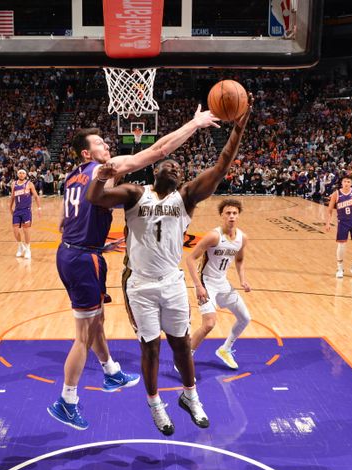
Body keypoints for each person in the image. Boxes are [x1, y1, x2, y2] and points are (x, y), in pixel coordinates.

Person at [47, 105, 220, 431]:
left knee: (96, 320)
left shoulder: (71, 178)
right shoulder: (106, 169)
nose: (108, 148)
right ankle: (67, 401)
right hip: (83, 259)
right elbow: (159, 150)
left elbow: (62, 222)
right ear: (88, 152)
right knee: (83, 335)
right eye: (101, 144)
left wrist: (95, 243)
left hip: (73, 252)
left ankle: (111, 372)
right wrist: (194, 124)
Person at [87, 99, 251, 435]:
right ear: (156, 171)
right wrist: (100, 178)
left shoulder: (186, 197)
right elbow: (97, 199)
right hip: (139, 284)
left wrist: (238, 128)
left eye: (179, 167)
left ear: (181, 180)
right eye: (170, 163)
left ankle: (190, 396)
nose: (175, 166)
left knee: (180, 343)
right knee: (151, 347)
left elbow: (221, 166)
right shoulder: (135, 194)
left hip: (172, 281)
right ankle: (155, 405)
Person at [184, 199, 252, 370]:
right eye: (228, 213)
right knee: (209, 324)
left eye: (234, 213)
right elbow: (190, 258)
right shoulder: (214, 236)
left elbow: (240, 260)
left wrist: (242, 279)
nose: (231, 216)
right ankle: (184, 358)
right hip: (207, 283)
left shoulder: (242, 238)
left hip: (223, 284)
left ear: (238, 215)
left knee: (245, 318)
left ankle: (225, 349)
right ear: (222, 215)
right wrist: (198, 286)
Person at [325, 174, 352, 279]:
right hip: (342, 222)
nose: (346, 183)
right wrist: (328, 222)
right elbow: (329, 210)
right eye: (345, 181)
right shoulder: (336, 194)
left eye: (348, 182)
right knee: (341, 246)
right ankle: (340, 268)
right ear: (341, 183)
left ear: (351, 183)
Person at [8, 169, 42, 260]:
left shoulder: (29, 184)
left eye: (23, 173)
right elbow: (12, 196)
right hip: (17, 210)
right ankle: (20, 246)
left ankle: (28, 249)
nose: (21, 174)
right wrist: (10, 207)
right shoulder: (14, 184)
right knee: (15, 230)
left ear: (25, 174)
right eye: (20, 173)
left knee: (26, 230)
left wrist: (39, 208)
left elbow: (36, 196)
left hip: (26, 210)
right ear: (17, 174)